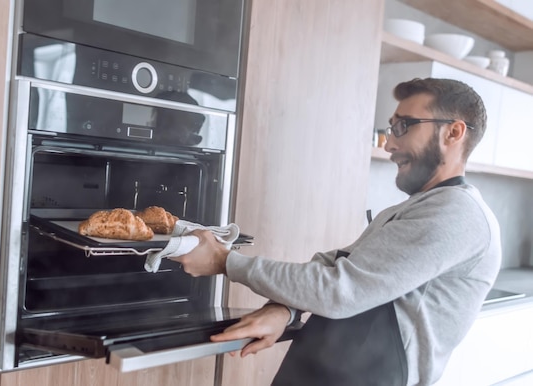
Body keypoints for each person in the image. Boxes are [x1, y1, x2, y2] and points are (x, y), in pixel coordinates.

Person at [171, 78, 502, 386]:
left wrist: (225, 261)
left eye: (403, 126)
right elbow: (334, 266)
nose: (389, 144)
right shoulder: (411, 209)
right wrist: (285, 309)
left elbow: (340, 291)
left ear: (454, 133)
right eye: (391, 128)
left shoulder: (457, 213)